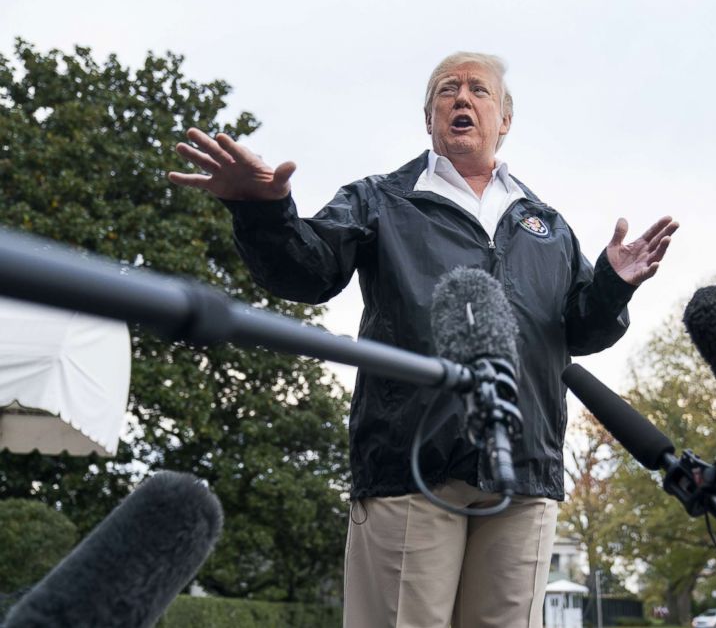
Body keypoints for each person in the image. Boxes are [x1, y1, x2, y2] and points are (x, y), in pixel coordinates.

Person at [167, 51, 679, 628]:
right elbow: (306, 272)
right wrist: (262, 211)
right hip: (410, 463)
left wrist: (612, 284)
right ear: (429, 117)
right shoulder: (379, 200)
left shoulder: (546, 224)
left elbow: (580, 332)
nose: (462, 99)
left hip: (525, 469)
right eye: (447, 90)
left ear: (504, 119)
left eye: (478, 91)